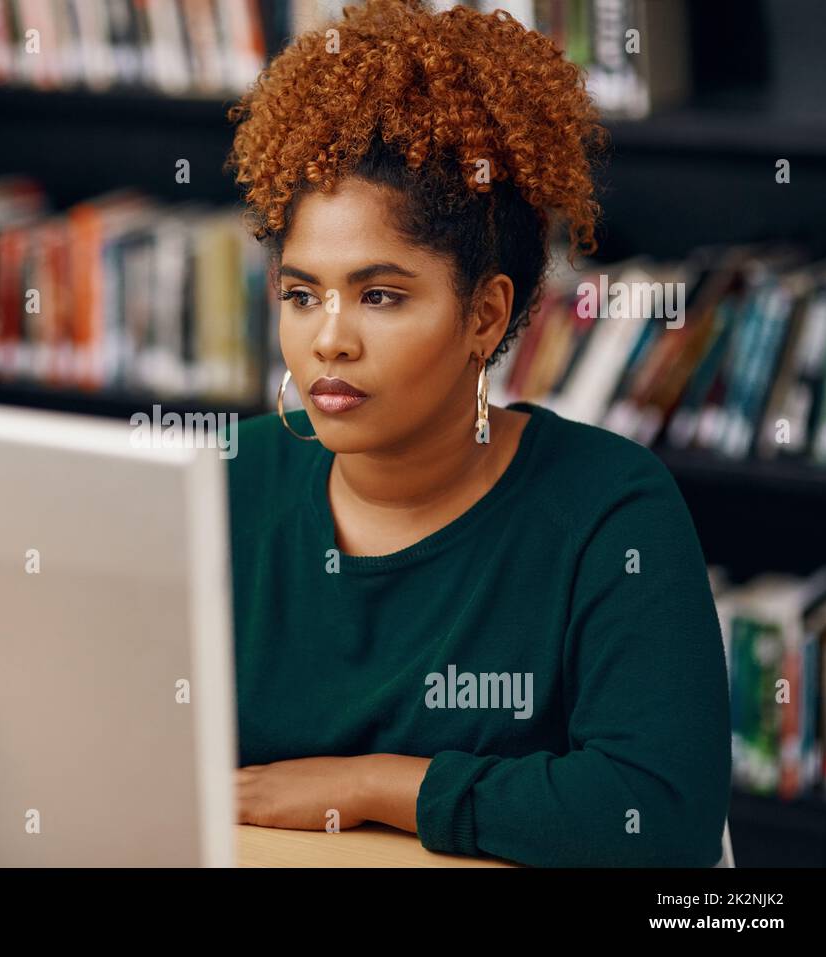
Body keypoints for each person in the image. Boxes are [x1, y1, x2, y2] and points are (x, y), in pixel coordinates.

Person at [221, 0, 730, 867]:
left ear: (484, 317)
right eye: (302, 293)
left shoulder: (611, 510)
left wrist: (373, 784)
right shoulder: (226, 479)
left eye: (380, 295)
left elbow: (656, 807)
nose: (327, 338)